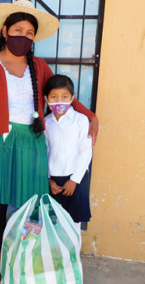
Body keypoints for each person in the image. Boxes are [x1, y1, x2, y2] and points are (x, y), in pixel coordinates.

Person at [0, 1, 98, 283]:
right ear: (4, 31)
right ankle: (6, 262)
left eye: (29, 33)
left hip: (33, 143)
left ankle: (29, 260)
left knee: (34, 204)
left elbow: (62, 97)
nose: (23, 36)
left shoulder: (38, 66)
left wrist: (91, 118)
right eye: (17, 30)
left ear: (33, 38)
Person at [44, 75, 92, 235]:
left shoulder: (80, 120)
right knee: (52, 222)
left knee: (73, 223)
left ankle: (72, 257)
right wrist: (48, 178)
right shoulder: (47, 123)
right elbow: (45, 151)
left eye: (65, 97)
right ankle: (56, 257)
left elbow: (86, 150)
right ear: (46, 99)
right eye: (54, 97)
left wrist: (74, 180)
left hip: (75, 180)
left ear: (72, 98)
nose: (59, 101)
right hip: (54, 182)